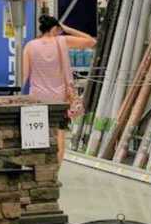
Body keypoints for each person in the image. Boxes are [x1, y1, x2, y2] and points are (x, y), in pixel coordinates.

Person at [21, 15, 96, 162]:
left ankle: (39, 168)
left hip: (37, 98)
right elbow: (91, 41)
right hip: (59, 99)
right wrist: (68, 29)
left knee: (38, 135)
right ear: (55, 29)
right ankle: (55, 171)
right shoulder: (62, 41)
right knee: (59, 134)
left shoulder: (30, 46)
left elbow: (25, 75)